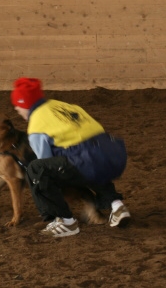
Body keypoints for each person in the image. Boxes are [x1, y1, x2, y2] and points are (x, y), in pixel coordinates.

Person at [10, 77, 130, 237]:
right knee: (85, 160)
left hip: (89, 160)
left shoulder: (37, 124)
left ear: (24, 103)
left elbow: (45, 163)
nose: (17, 109)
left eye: (18, 105)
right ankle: (117, 206)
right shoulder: (61, 105)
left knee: (36, 169)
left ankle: (65, 221)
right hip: (113, 152)